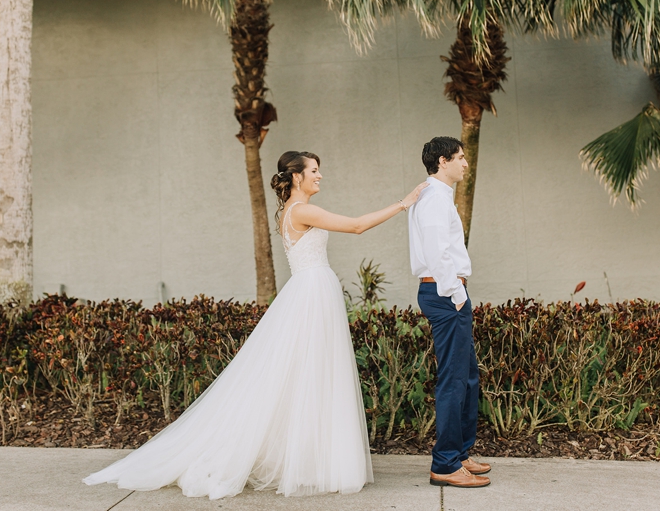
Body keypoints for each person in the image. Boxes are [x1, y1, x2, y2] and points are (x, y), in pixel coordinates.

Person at [83, 150, 428, 500]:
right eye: (314, 170)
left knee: (305, 376)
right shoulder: (303, 210)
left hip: (311, 291)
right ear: (297, 177)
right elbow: (356, 226)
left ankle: (308, 460)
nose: (320, 176)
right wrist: (405, 202)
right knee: (308, 374)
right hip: (311, 295)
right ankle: (309, 461)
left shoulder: (290, 211)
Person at [408, 136, 491, 488]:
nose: (465, 164)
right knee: (454, 379)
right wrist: (455, 293)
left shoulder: (439, 197)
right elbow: (437, 251)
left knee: (467, 377)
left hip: (449, 292)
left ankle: (459, 454)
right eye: (460, 157)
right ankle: (444, 465)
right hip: (445, 293)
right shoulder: (432, 200)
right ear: (443, 161)